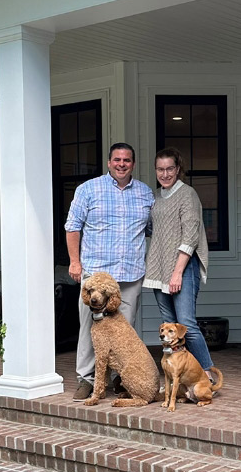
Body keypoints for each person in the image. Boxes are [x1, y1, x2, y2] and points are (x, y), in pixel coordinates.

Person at [65, 142, 155, 400]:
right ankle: (86, 379)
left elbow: (151, 230)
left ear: (133, 164)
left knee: (125, 331)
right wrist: (74, 262)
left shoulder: (145, 193)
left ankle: (120, 379)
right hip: (95, 276)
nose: (121, 164)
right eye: (117, 159)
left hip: (130, 274)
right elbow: (72, 227)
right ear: (109, 162)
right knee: (89, 328)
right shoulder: (88, 189)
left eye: (127, 160)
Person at [143, 148, 216, 378]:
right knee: (169, 327)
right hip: (159, 268)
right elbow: (152, 230)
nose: (165, 174)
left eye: (170, 169)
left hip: (182, 268)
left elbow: (191, 236)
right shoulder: (155, 197)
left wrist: (177, 273)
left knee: (186, 325)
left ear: (178, 169)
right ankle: (177, 376)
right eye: (160, 169)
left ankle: (207, 373)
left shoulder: (187, 194)